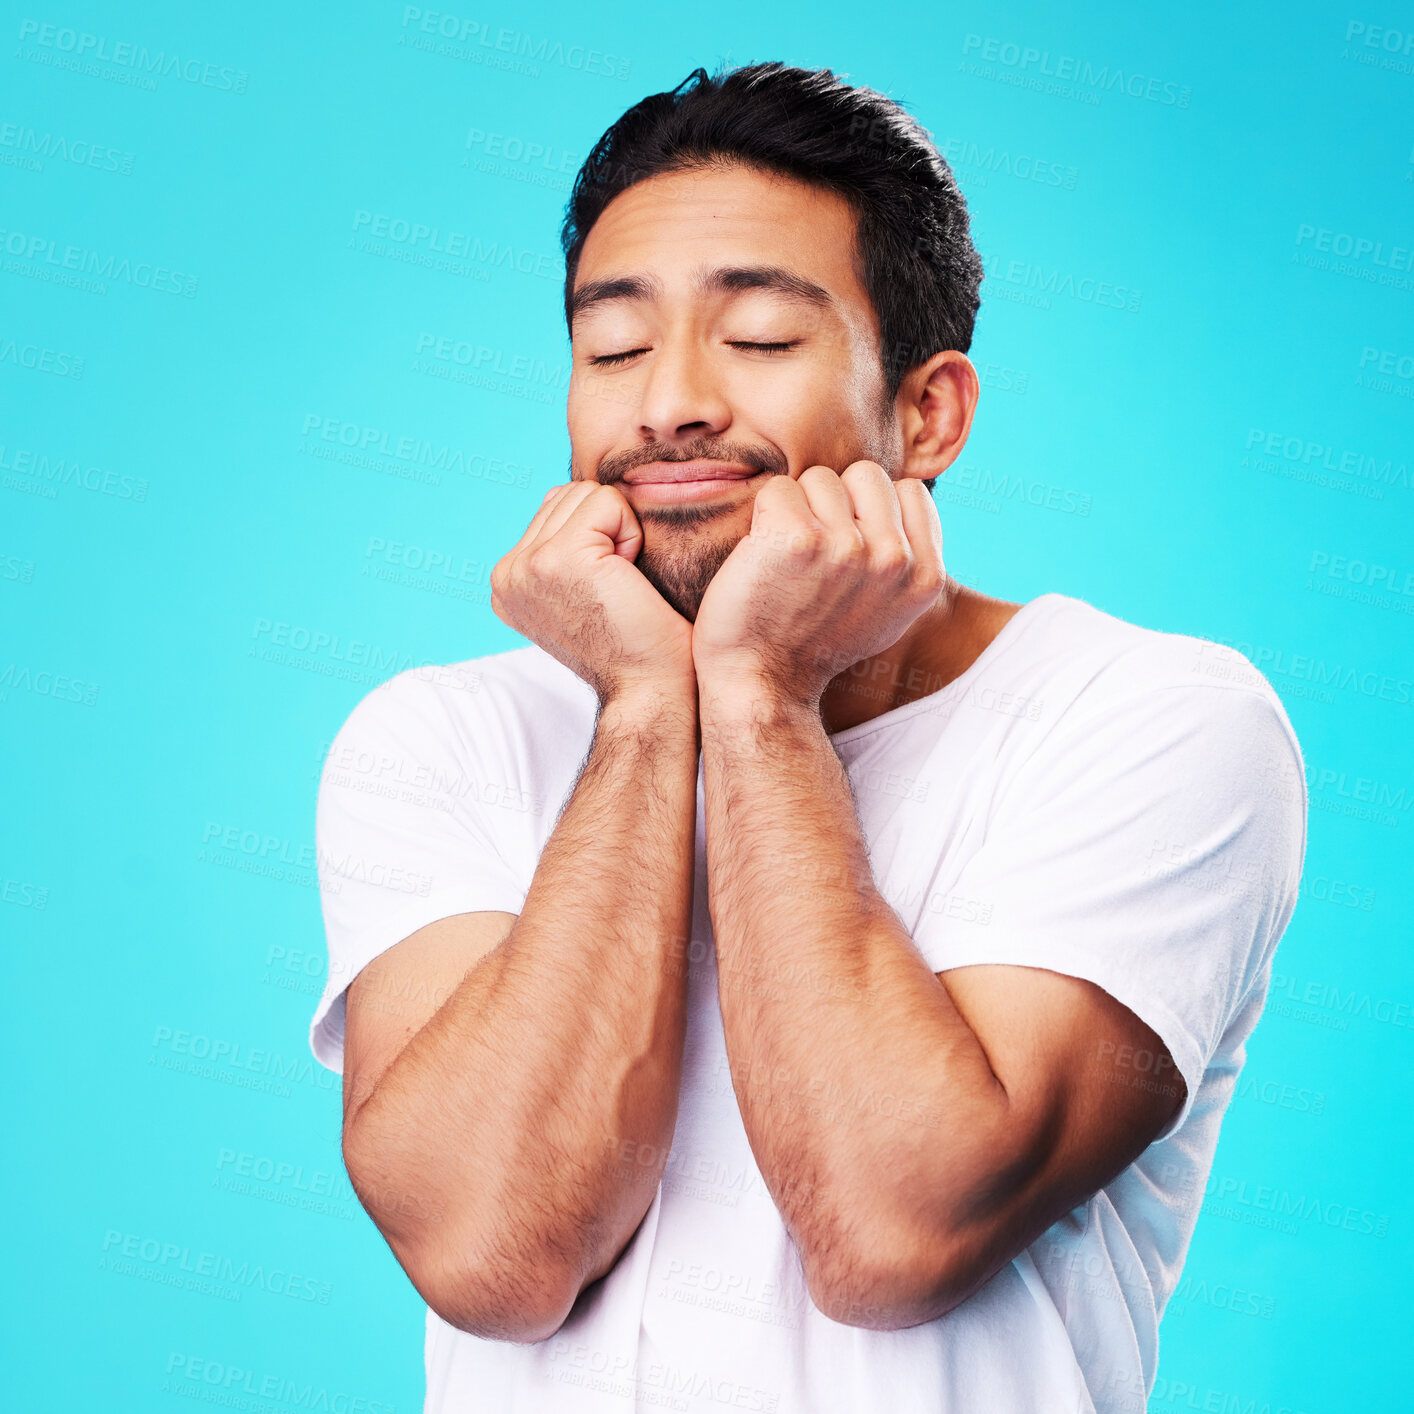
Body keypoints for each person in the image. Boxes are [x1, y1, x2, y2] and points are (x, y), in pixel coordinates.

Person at [307, 62, 1307, 1414]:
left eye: (761, 339)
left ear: (926, 414)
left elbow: (893, 1233)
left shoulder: (1152, 718)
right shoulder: (443, 733)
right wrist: (653, 706)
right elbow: (493, 1254)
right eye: (610, 350)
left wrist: (764, 696)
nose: (665, 403)